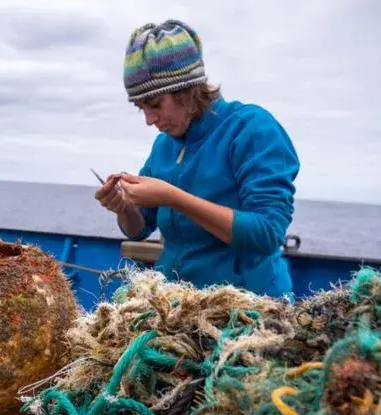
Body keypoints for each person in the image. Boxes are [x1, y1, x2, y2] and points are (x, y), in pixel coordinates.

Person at [95, 19, 301, 299]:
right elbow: (139, 228)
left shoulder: (251, 130)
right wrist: (123, 207)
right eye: (139, 107)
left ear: (189, 89)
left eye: (155, 105)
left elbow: (267, 234)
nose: (149, 119)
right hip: (177, 303)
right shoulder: (164, 145)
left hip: (246, 305)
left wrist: (174, 197)